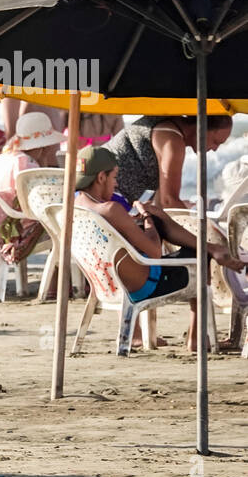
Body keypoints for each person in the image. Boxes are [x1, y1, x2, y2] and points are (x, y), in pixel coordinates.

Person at [76, 146, 243, 352]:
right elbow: (154, 251)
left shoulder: (76, 207)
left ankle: (213, 248)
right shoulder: (111, 209)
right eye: (114, 177)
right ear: (101, 177)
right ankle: (196, 337)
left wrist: (145, 217)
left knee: (156, 216)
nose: (116, 183)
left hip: (107, 283)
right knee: (200, 257)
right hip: (143, 285)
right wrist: (146, 217)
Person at [103, 115, 234, 210]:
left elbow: (162, 202)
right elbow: (169, 201)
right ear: (201, 127)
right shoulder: (171, 139)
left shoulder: (167, 123)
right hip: (107, 198)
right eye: (216, 142)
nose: (215, 149)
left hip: (97, 195)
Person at [0, 111, 61, 265]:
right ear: (44, 146)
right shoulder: (26, 164)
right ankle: (56, 280)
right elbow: (38, 201)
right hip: (12, 231)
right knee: (60, 221)